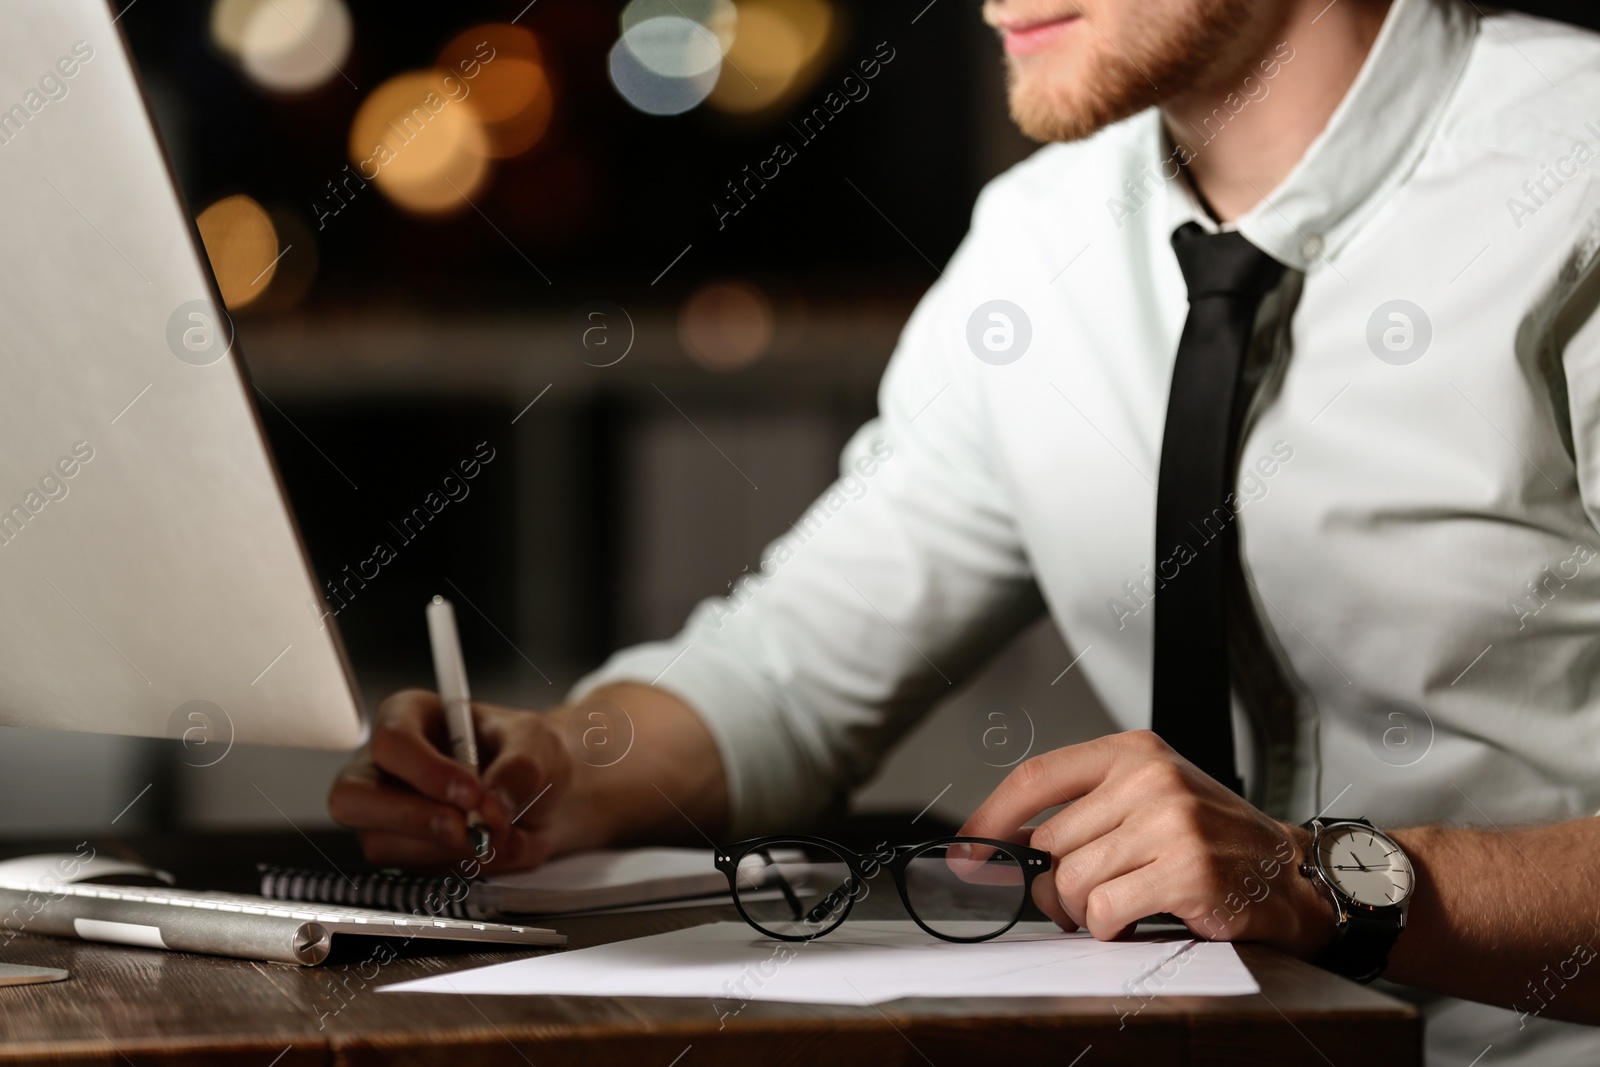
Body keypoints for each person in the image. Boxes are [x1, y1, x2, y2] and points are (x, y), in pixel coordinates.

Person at [331, 0, 1600, 1060]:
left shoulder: (1576, 173)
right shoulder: (1038, 244)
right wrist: (557, 762)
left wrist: (1331, 882)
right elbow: (791, 672)